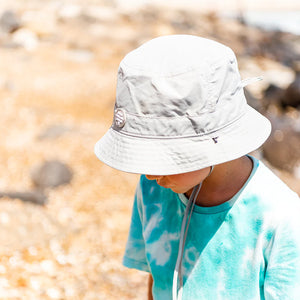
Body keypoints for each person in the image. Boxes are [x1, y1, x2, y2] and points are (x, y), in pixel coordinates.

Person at [94, 35, 300, 300]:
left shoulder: (280, 217)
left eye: (163, 155)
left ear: (215, 140)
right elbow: (159, 280)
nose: (149, 173)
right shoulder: (153, 190)